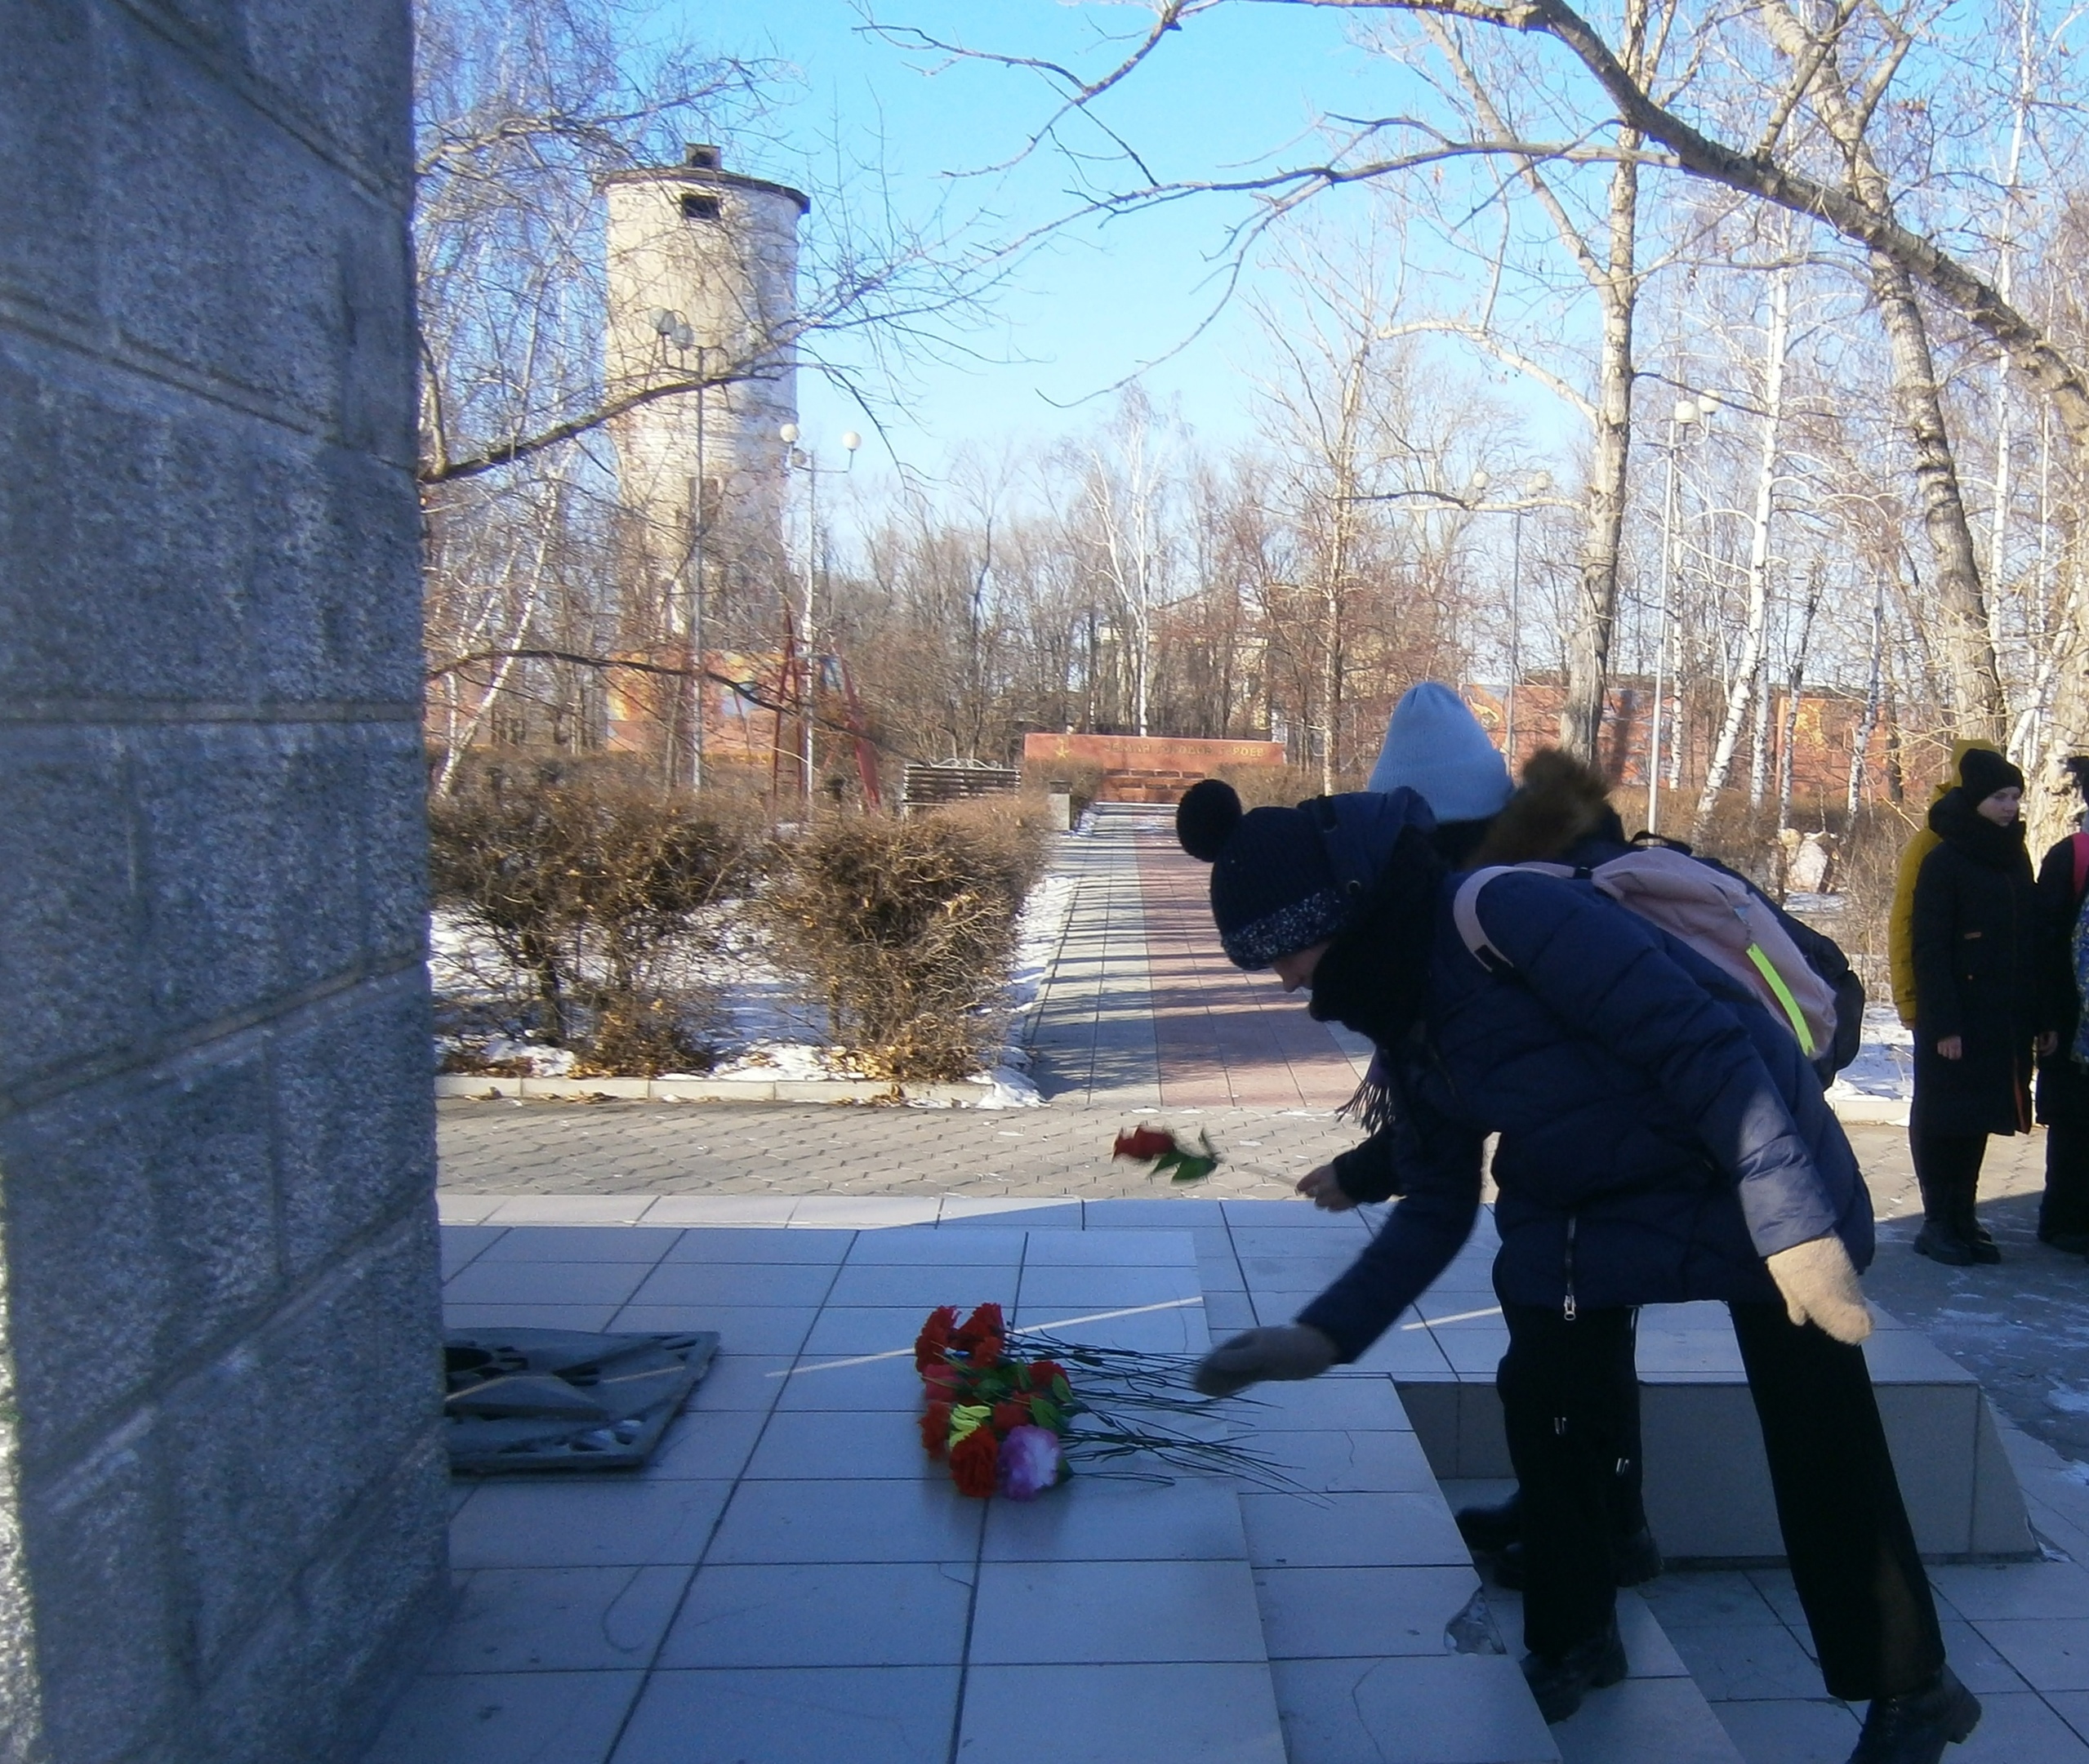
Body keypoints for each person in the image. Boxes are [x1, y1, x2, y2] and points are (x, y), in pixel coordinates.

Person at [1175, 776, 1977, 1762]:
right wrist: (1324, 1333)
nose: (1285, 983)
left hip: (1738, 1160)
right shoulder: (1400, 1003)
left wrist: (1793, 1233)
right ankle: (1575, 1633)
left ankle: (1910, 1688)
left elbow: (1703, 1045)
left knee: (1817, 1430)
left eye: (1279, 955)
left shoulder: (1504, 912)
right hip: (1585, 1199)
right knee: (1550, 1396)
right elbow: (1434, 1202)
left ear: (1331, 914)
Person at [1369, 686, 1659, 1592]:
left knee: (1560, 1364)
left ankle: (1594, 1549)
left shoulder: (1516, 888)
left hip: (1605, 1156)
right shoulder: (1532, 861)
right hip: (1576, 1148)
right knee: (1566, 1354)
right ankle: (1583, 1520)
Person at [1907, 749, 2040, 1265]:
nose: (2009, 808)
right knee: (1946, 1117)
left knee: (1979, 1115)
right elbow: (1930, 947)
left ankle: (1963, 1215)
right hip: (1956, 1016)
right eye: (1999, 798)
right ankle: (1937, 1220)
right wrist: (1942, 1022)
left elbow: (2030, 938)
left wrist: (2041, 1016)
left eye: (2014, 798)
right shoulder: (1944, 857)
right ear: (1975, 799)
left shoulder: (2013, 856)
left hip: (2001, 1015)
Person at [2033, 756, 2089, 1253]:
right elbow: (2046, 943)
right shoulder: (2072, 856)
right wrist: (2048, 1016)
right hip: (2075, 1018)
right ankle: (2065, 1219)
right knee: (2074, 1123)